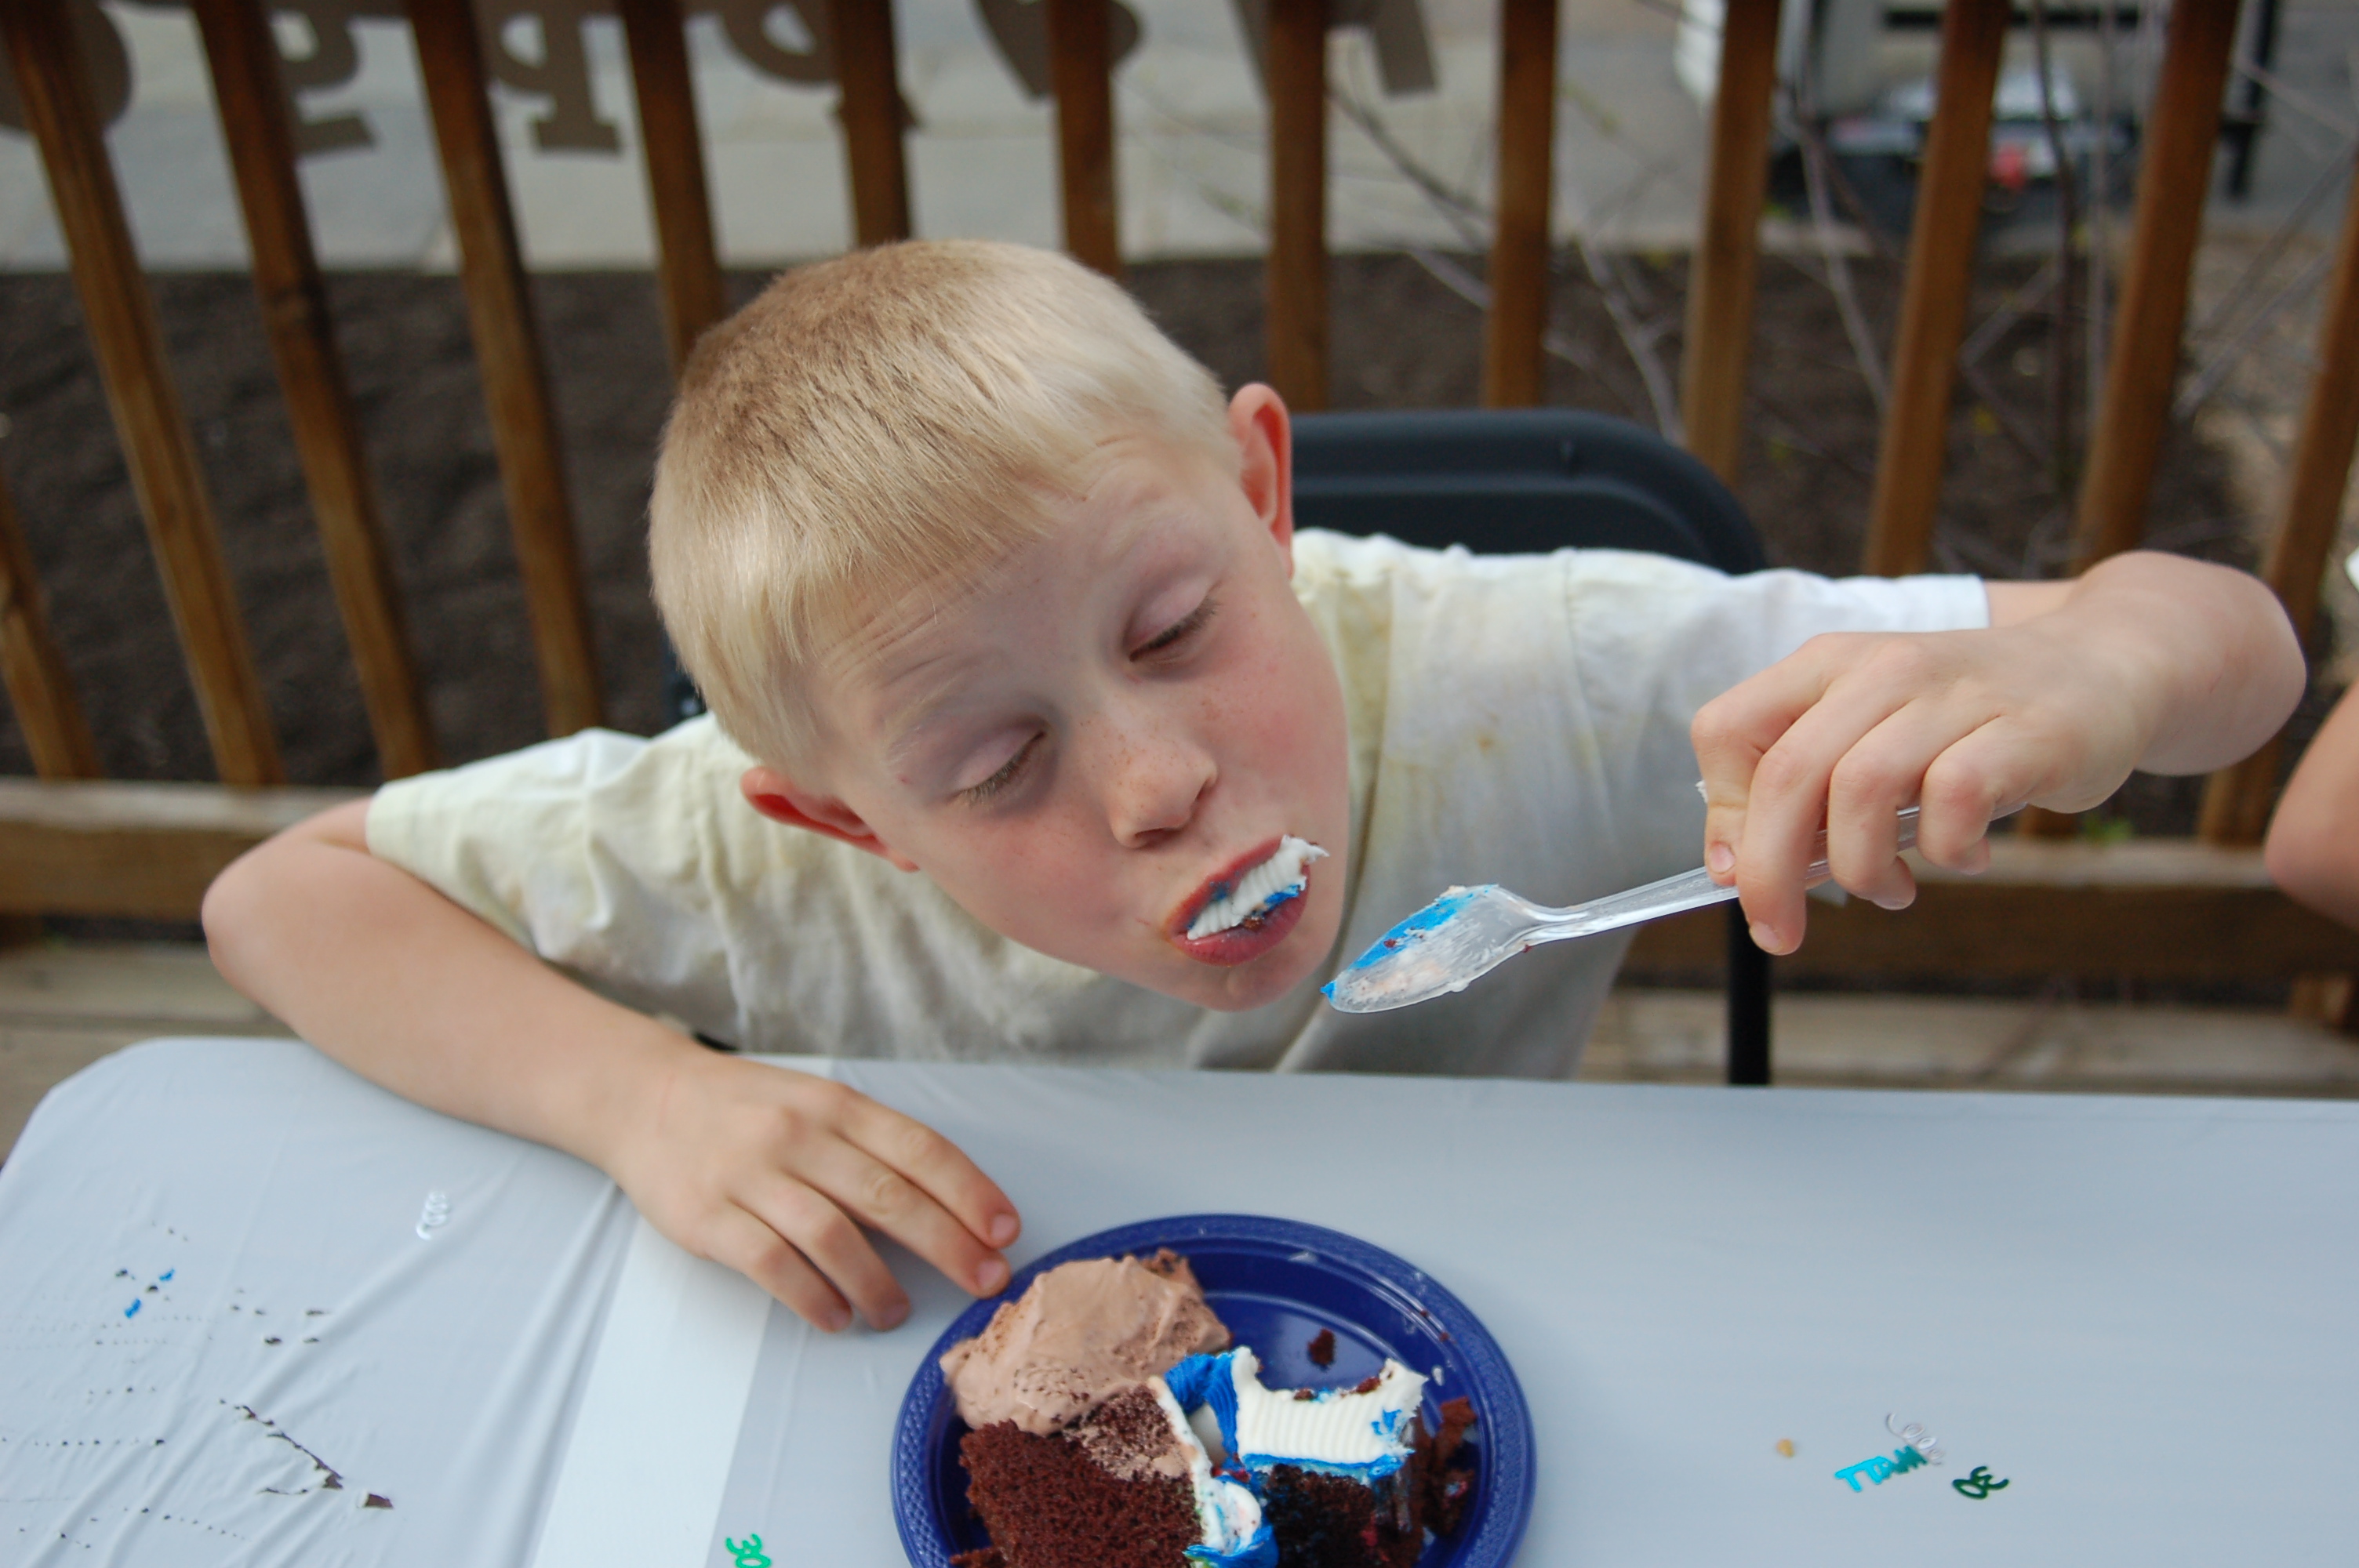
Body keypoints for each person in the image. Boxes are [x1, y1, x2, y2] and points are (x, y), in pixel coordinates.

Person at [202, 241, 2304, 1336]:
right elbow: (279, 903)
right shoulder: (745, 868)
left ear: (1262, 494)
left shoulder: (1535, 676)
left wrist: (2095, 673)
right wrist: (645, 1101)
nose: (1155, 781)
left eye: (1172, 626)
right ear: (850, 826)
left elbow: (2236, 646)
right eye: (995, 764)